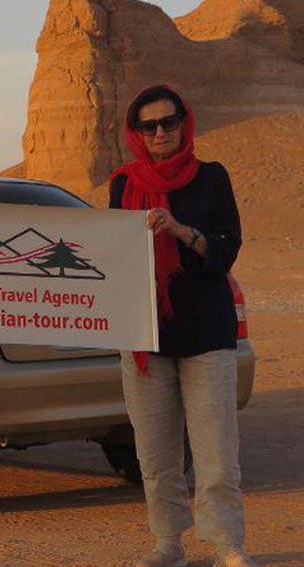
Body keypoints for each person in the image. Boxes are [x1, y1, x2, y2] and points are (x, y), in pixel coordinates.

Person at [109, 84, 254, 567]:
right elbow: (111, 252)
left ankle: (227, 545)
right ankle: (168, 545)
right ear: (137, 132)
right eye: (149, 125)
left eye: (168, 122)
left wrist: (181, 231)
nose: (160, 133)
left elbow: (226, 250)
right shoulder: (123, 183)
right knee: (156, 453)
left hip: (206, 333)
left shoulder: (211, 177)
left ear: (183, 123)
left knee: (217, 452)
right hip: (144, 336)